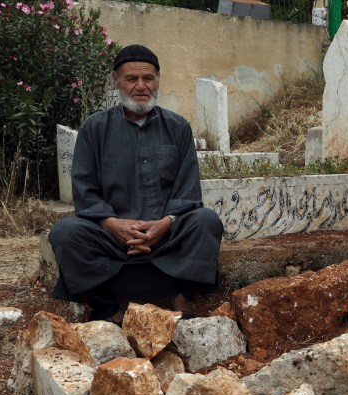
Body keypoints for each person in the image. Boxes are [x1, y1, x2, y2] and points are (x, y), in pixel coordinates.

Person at [48, 44, 223, 324]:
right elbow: (85, 192)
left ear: (157, 81)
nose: (141, 86)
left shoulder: (178, 127)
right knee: (65, 232)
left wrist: (165, 224)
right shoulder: (94, 129)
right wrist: (112, 224)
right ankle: (109, 312)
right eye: (132, 79)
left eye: (148, 78)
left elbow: (188, 190)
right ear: (117, 81)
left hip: (167, 237)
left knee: (206, 221)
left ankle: (183, 303)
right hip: (112, 239)